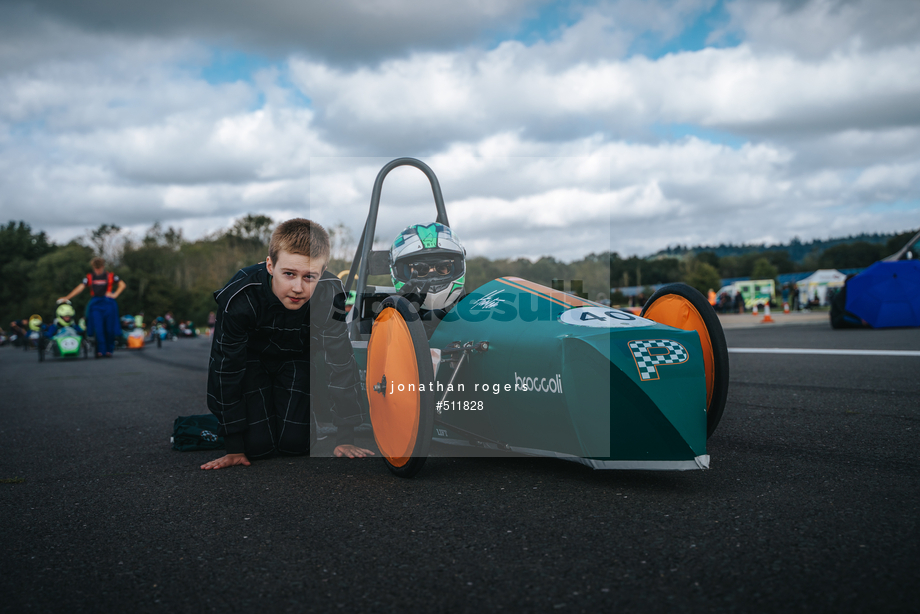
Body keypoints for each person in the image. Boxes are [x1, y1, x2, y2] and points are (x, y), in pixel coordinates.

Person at [201, 218, 374, 470]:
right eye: (289, 274)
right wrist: (233, 446)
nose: (297, 288)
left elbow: (340, 361)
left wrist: (345, 437)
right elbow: (225, 368)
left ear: (322, 271)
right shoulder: (239, 296)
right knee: (257, 448)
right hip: (251, 361)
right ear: (270, 265)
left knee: (296, 445)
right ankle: (227, 424)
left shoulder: (329, 293)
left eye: (309, 277)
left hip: (296, 358)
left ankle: (292, 418)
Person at [389, 222, 467, 337]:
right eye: (420, 269)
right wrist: (403, 315)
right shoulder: (381, 316)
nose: (432, 275)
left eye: (442, 267)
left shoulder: (473, 309)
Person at [58, 257, 126, 357]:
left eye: (99, 268)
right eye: (95, 268)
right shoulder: (89, 277)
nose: (97, 270)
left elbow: (122, 284)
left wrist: (115, 294)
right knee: (98, 328)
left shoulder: (110, 276)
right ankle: (100, 350)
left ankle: (109, 350)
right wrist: (67, 297)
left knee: (109, 328)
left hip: (108, 303)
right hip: (96, 304)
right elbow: (80, 288)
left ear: (103, 267)